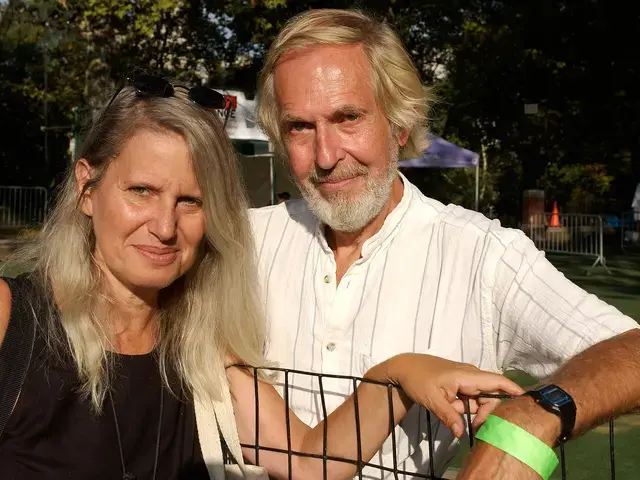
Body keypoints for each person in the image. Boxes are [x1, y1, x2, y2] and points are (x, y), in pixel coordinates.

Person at [0, 74, 523, 480]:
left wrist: (397, 374)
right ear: (88, 189)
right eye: (141, 191)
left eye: (190, 201)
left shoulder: (200, 350)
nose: (164, 226)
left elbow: (307, 463)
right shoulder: (11, 319)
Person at [252, 8, 640, 479]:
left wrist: (534, 415)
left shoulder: (480, 255)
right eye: (300, 127)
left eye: (348, 117)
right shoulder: (246, 239)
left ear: (399, 122)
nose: (327, 155)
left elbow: (632, 350)